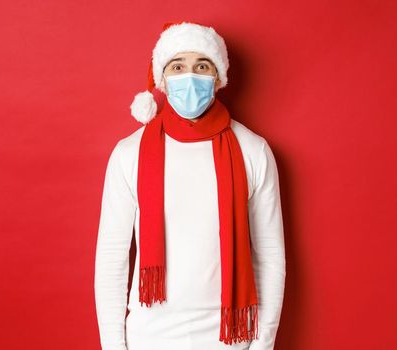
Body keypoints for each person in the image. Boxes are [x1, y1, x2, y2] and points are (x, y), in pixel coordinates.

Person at [94, 21, 286, 350]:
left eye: (202, 65)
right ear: (162, 78)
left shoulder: (253, 150)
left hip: (231, 339)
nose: (190, 76)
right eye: (178, 66)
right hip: (148, 339)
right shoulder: (129, 153)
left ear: (218, 77)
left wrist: (261, 345)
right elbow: (112, 259)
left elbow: (269, 256)